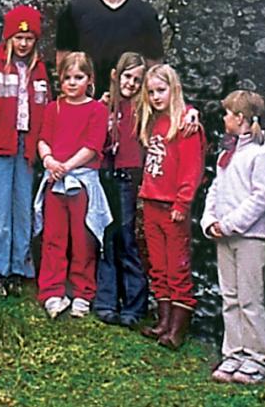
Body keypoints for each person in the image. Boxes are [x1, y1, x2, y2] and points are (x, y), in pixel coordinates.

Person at [0, 3, 49, 292]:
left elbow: (46, 109)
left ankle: (18, 265)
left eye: (29, 39)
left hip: (25, 146)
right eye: (19, 38)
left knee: (20, 206)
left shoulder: (39, 70)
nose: (24, 44)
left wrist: (42, 146)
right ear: (9, 38)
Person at [201, 88, 265, 386]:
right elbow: (216, 191)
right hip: (224, 237)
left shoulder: (263, 154)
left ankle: (258, 357)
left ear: (241, 118)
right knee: (229, 297)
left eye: (228, 114)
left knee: (250, 299)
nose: (224, 118)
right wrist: (211, 222)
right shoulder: (226, 154)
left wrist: (229, 224)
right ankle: (233, 352)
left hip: (251, 238)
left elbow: (260, 198)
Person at [34, 50, 111, 317]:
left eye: (78, 77)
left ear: (89, 79)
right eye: (67, 78)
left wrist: (67, 166)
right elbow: (43, 139)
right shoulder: (53, 107)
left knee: (83, 238)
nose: (72, 83)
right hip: (55, 181)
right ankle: (52, 291)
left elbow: (92, 146)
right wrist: (49, 160)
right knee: (53, 237)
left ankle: (82, 292)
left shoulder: (97, 110)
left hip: (82, 181)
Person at [137, 61, 207, 349]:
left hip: (173, 207)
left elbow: (192, 169)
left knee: (177, 266)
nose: (155, 97)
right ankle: (163, 321)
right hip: (152, 202)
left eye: (161, 90)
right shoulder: (153, 121)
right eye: (151, 92)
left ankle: (178, 329)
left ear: (173, 89)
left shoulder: (186, 125)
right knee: (158, 265)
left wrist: (182, 201)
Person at [94, 51, 150, 326]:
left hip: (128, 176)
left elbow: (175, 110)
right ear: (116, 75)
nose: (131, 84)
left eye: (137, 80)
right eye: (127, 76)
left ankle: (134, 306)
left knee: (127, 240)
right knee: (106, 237)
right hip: (105, 173)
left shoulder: (144, 107)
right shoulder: (105, 104)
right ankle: (106, 300)